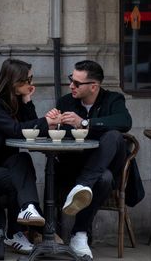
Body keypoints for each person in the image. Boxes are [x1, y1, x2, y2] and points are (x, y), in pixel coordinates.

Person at [0, 58, 61, 254]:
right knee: (19, 177)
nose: (31, 84)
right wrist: (46, 121)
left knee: (22, 160)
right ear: (15, 80)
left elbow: (31, 125)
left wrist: (27, 100)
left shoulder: (13, 100)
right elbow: (16, 130)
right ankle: (16, 231)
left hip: (2, 165)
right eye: (28, 80)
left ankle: (26, 213)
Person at [46, 60, 132, 260]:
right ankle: (80, 233)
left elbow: (125, 122)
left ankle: (83, 186)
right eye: (71, 80)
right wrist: (51, 126)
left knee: (113, 135)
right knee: (103, 178)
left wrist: (84, 122)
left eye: (77, 83)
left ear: (94, 86)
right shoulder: (66, 102)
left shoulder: (113, 99)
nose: (71, 86)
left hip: (109, 161)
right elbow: (59, 136)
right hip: (75, 167)